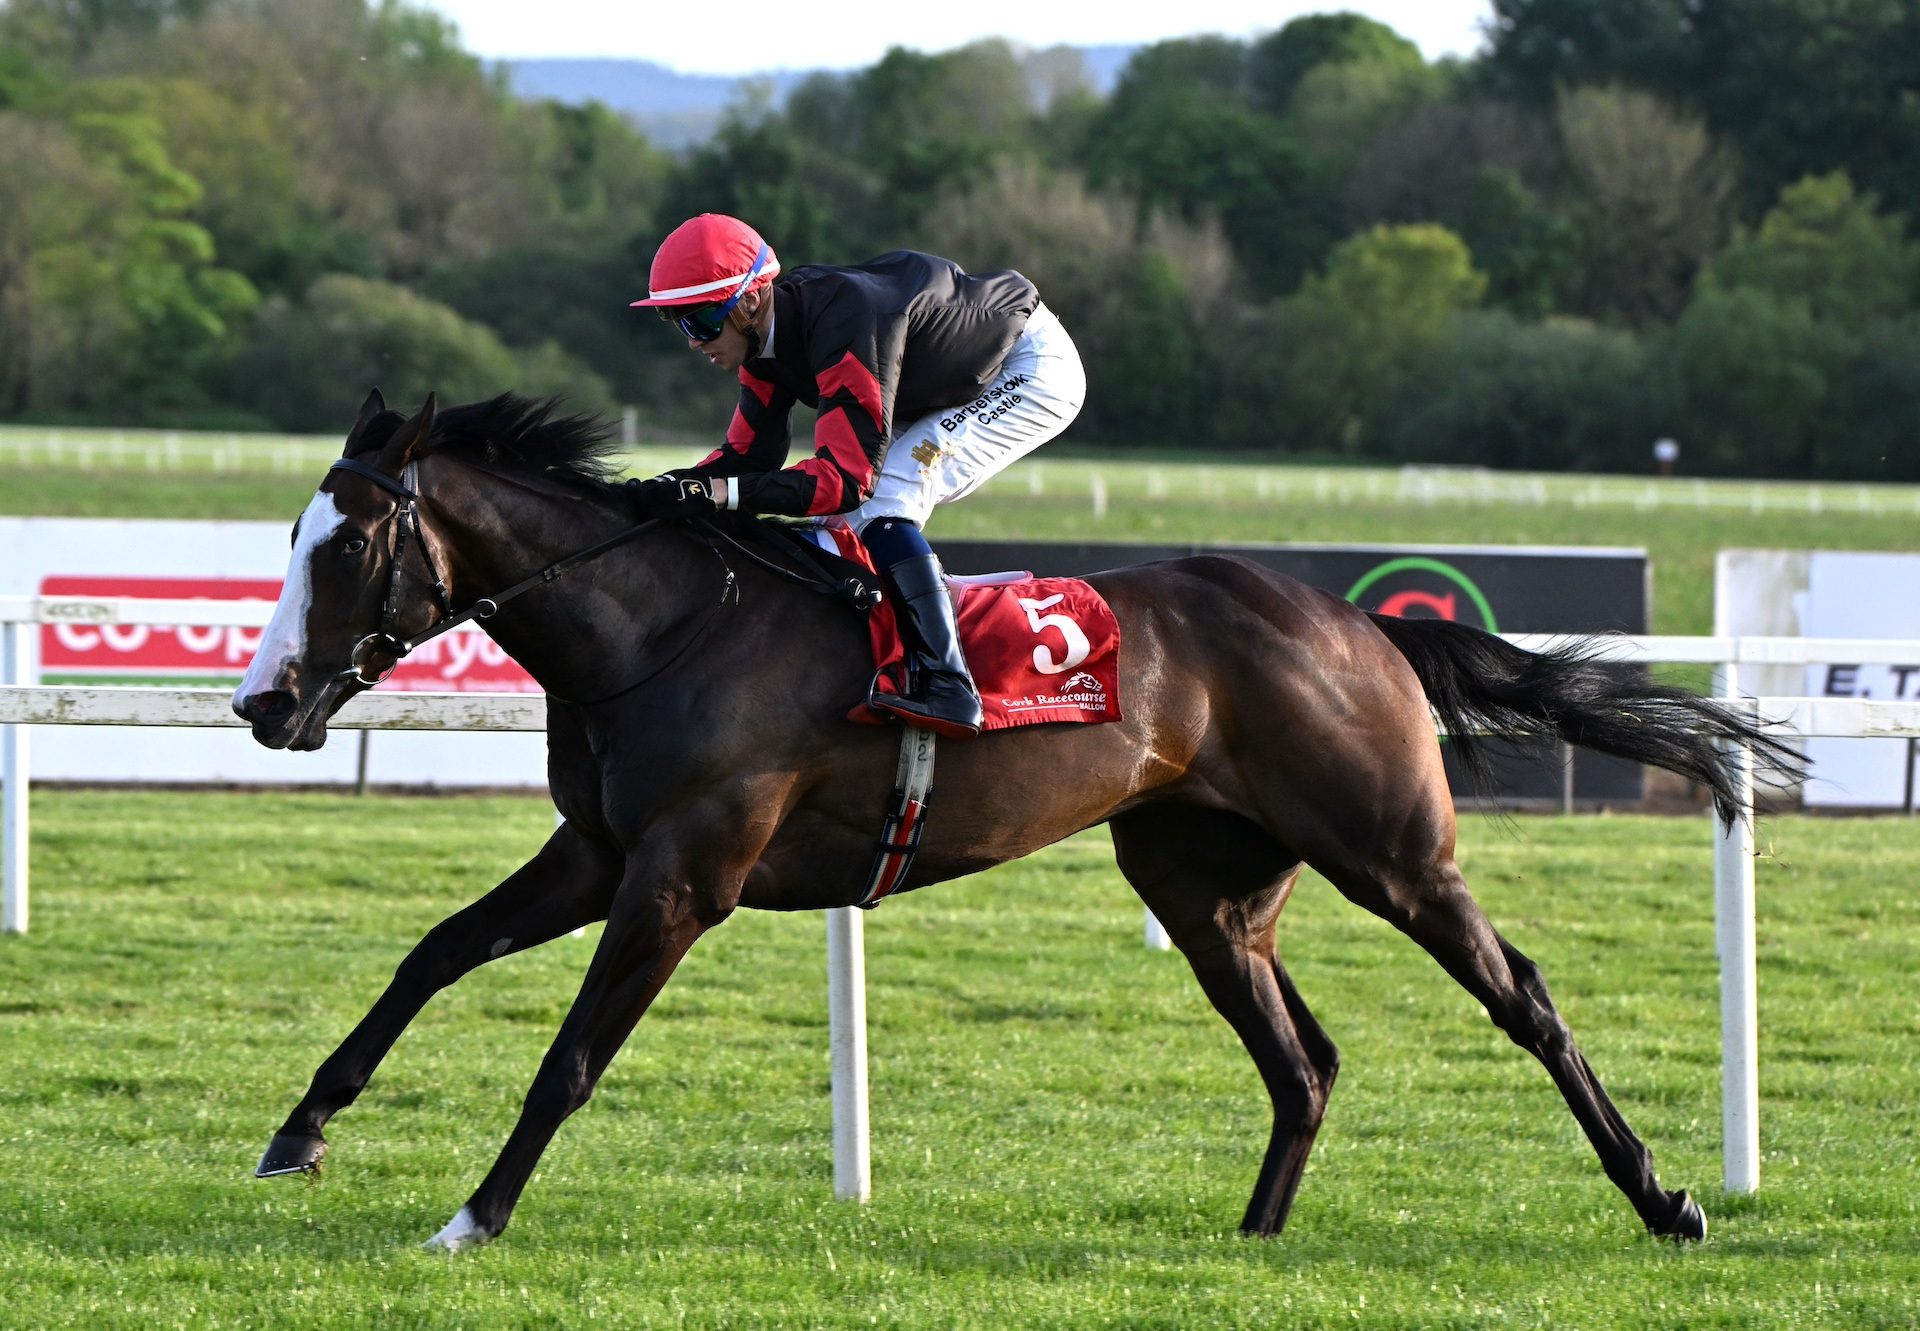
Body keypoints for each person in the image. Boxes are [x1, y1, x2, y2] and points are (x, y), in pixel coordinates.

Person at [628, 213, 1087, 739]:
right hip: (940, 376)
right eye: (679, 324)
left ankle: (949, 684)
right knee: (839, 515)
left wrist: (719, 494)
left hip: (1027, 368)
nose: (693, 342)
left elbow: (846, 479)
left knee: (883, 497)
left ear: (749, 301)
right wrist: (666, 488)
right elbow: (748, 456)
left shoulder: (847, 324)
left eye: (701, 322)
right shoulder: (765, 342)